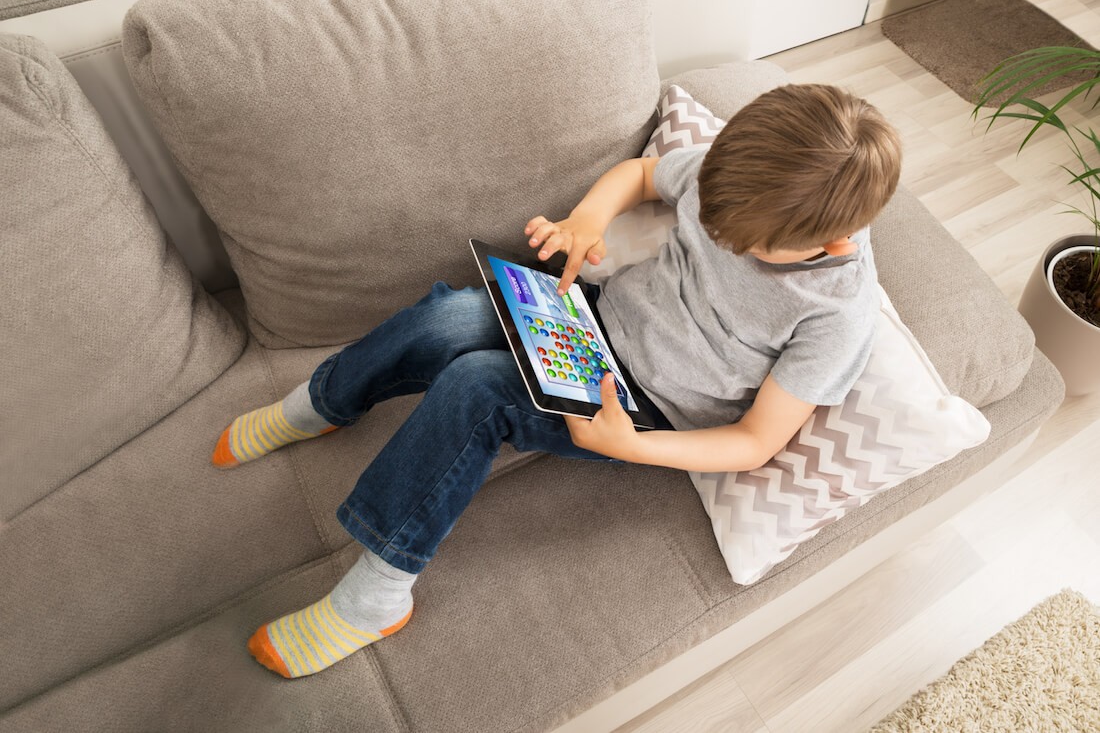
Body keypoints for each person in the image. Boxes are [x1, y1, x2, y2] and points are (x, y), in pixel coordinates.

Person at [213, 83, 902, 678]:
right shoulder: (743, 179)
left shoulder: (838, 312)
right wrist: (586, 221)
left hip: (641, 409)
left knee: (479, 387)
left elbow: (756, 442)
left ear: (834, 242)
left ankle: (376, 598)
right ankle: (323, 402)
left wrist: (632, 447)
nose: (716, 237)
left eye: (742, 243)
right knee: (452, 314)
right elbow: (640, 177)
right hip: (596, 323)